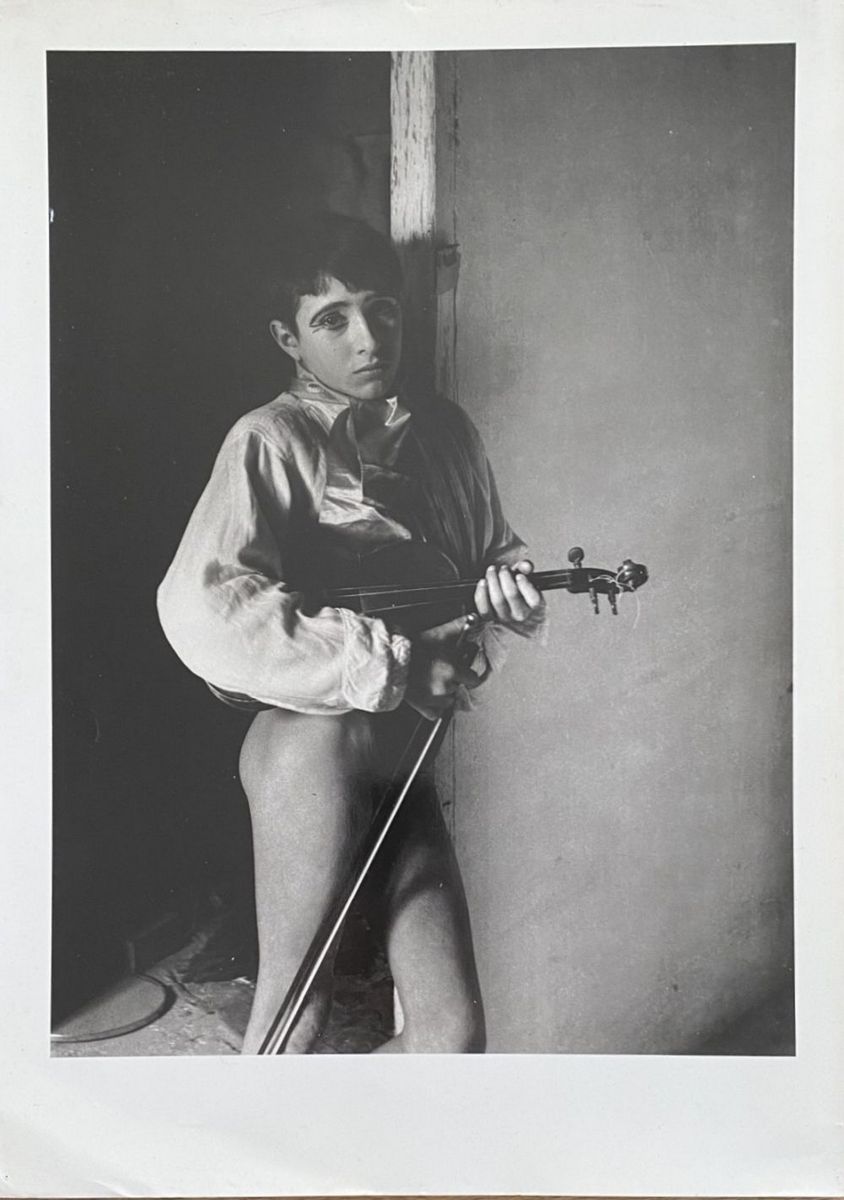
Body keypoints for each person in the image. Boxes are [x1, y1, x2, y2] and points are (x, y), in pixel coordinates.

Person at [157, 212, 545, 1054]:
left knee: (450, 1035)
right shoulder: (269, 439)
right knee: (298, 1018)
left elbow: (487, 565)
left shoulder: (447, 435)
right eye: (331, 320)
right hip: (311, 750)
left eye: (382, 309)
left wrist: (492, 622)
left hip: (401, 757)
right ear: (287, 339)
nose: (367, 339)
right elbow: (202, 606)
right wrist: (395, 665)